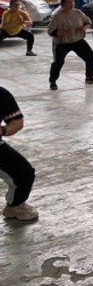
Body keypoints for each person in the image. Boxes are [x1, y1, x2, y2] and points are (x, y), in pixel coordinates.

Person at [47, 0, 93, 91]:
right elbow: (50, 31)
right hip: (61, 43)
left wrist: (84, 28)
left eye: (72, 2)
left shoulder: (78, 13)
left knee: (90, 57)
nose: (71, 4)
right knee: (58, 62)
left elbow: (88, 22)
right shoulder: (58, 16)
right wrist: (65, 32)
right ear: (62, 5)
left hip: (77, 40)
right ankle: (52, 81)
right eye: (68, 2)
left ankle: (89, 77)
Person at [0, 87, 38, 221]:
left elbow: (17, 122)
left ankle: (15, 205)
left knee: (24, 173)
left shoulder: (2, 95)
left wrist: (3, 130)